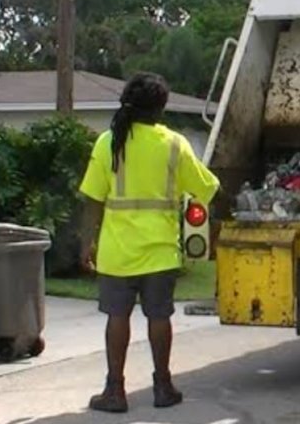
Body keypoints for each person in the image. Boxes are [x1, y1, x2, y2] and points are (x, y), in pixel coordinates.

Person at [79, 72, 220, 413]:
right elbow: (207, 189)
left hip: (117, 251)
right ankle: (163, 386)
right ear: (160, 108)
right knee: (159, 317)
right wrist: (212, 231)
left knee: (117, 317)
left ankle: (115, 391)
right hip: (160, 251)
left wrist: (87, 243)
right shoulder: (174, 144)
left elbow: (93, 200)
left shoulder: (108, 142)